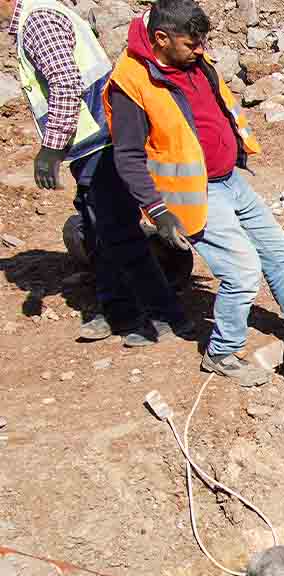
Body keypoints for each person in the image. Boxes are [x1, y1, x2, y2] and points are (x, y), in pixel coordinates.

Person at [103, 0, 284, 387]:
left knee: (280, 253)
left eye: (201, 43)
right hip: (193, 192)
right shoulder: (131, 82)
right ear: (162, 38)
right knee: (241, 271)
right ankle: (221, 352)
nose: (200, 50)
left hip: (229, 180)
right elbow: (129, 156)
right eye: (190, 44)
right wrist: (157, 209)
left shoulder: (191, 58)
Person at [4, 0, 190, 347]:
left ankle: (163, 315)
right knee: (96, 225)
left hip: (99, 139)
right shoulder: (37, 15)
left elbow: (64, 82)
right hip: (94, 137)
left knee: (118, 230)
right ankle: (117, 309)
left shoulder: (37, 20)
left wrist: (51, 148)